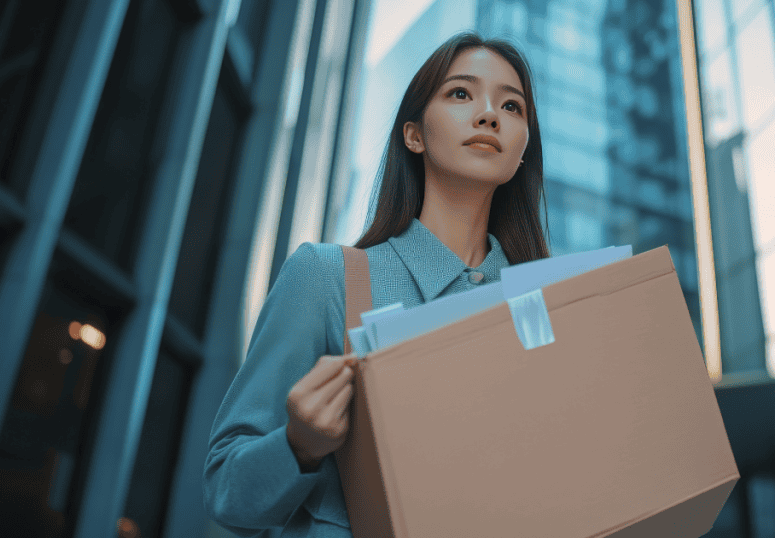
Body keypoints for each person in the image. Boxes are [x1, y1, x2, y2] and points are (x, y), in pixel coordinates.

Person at [203, 31, 550, 537]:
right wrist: (297, 444)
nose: (489, 114)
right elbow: (226, 496)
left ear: (521, 153)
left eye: (512, 106)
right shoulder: (326, 278)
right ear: (413, 135)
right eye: (461, 93)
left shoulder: (546, 309)